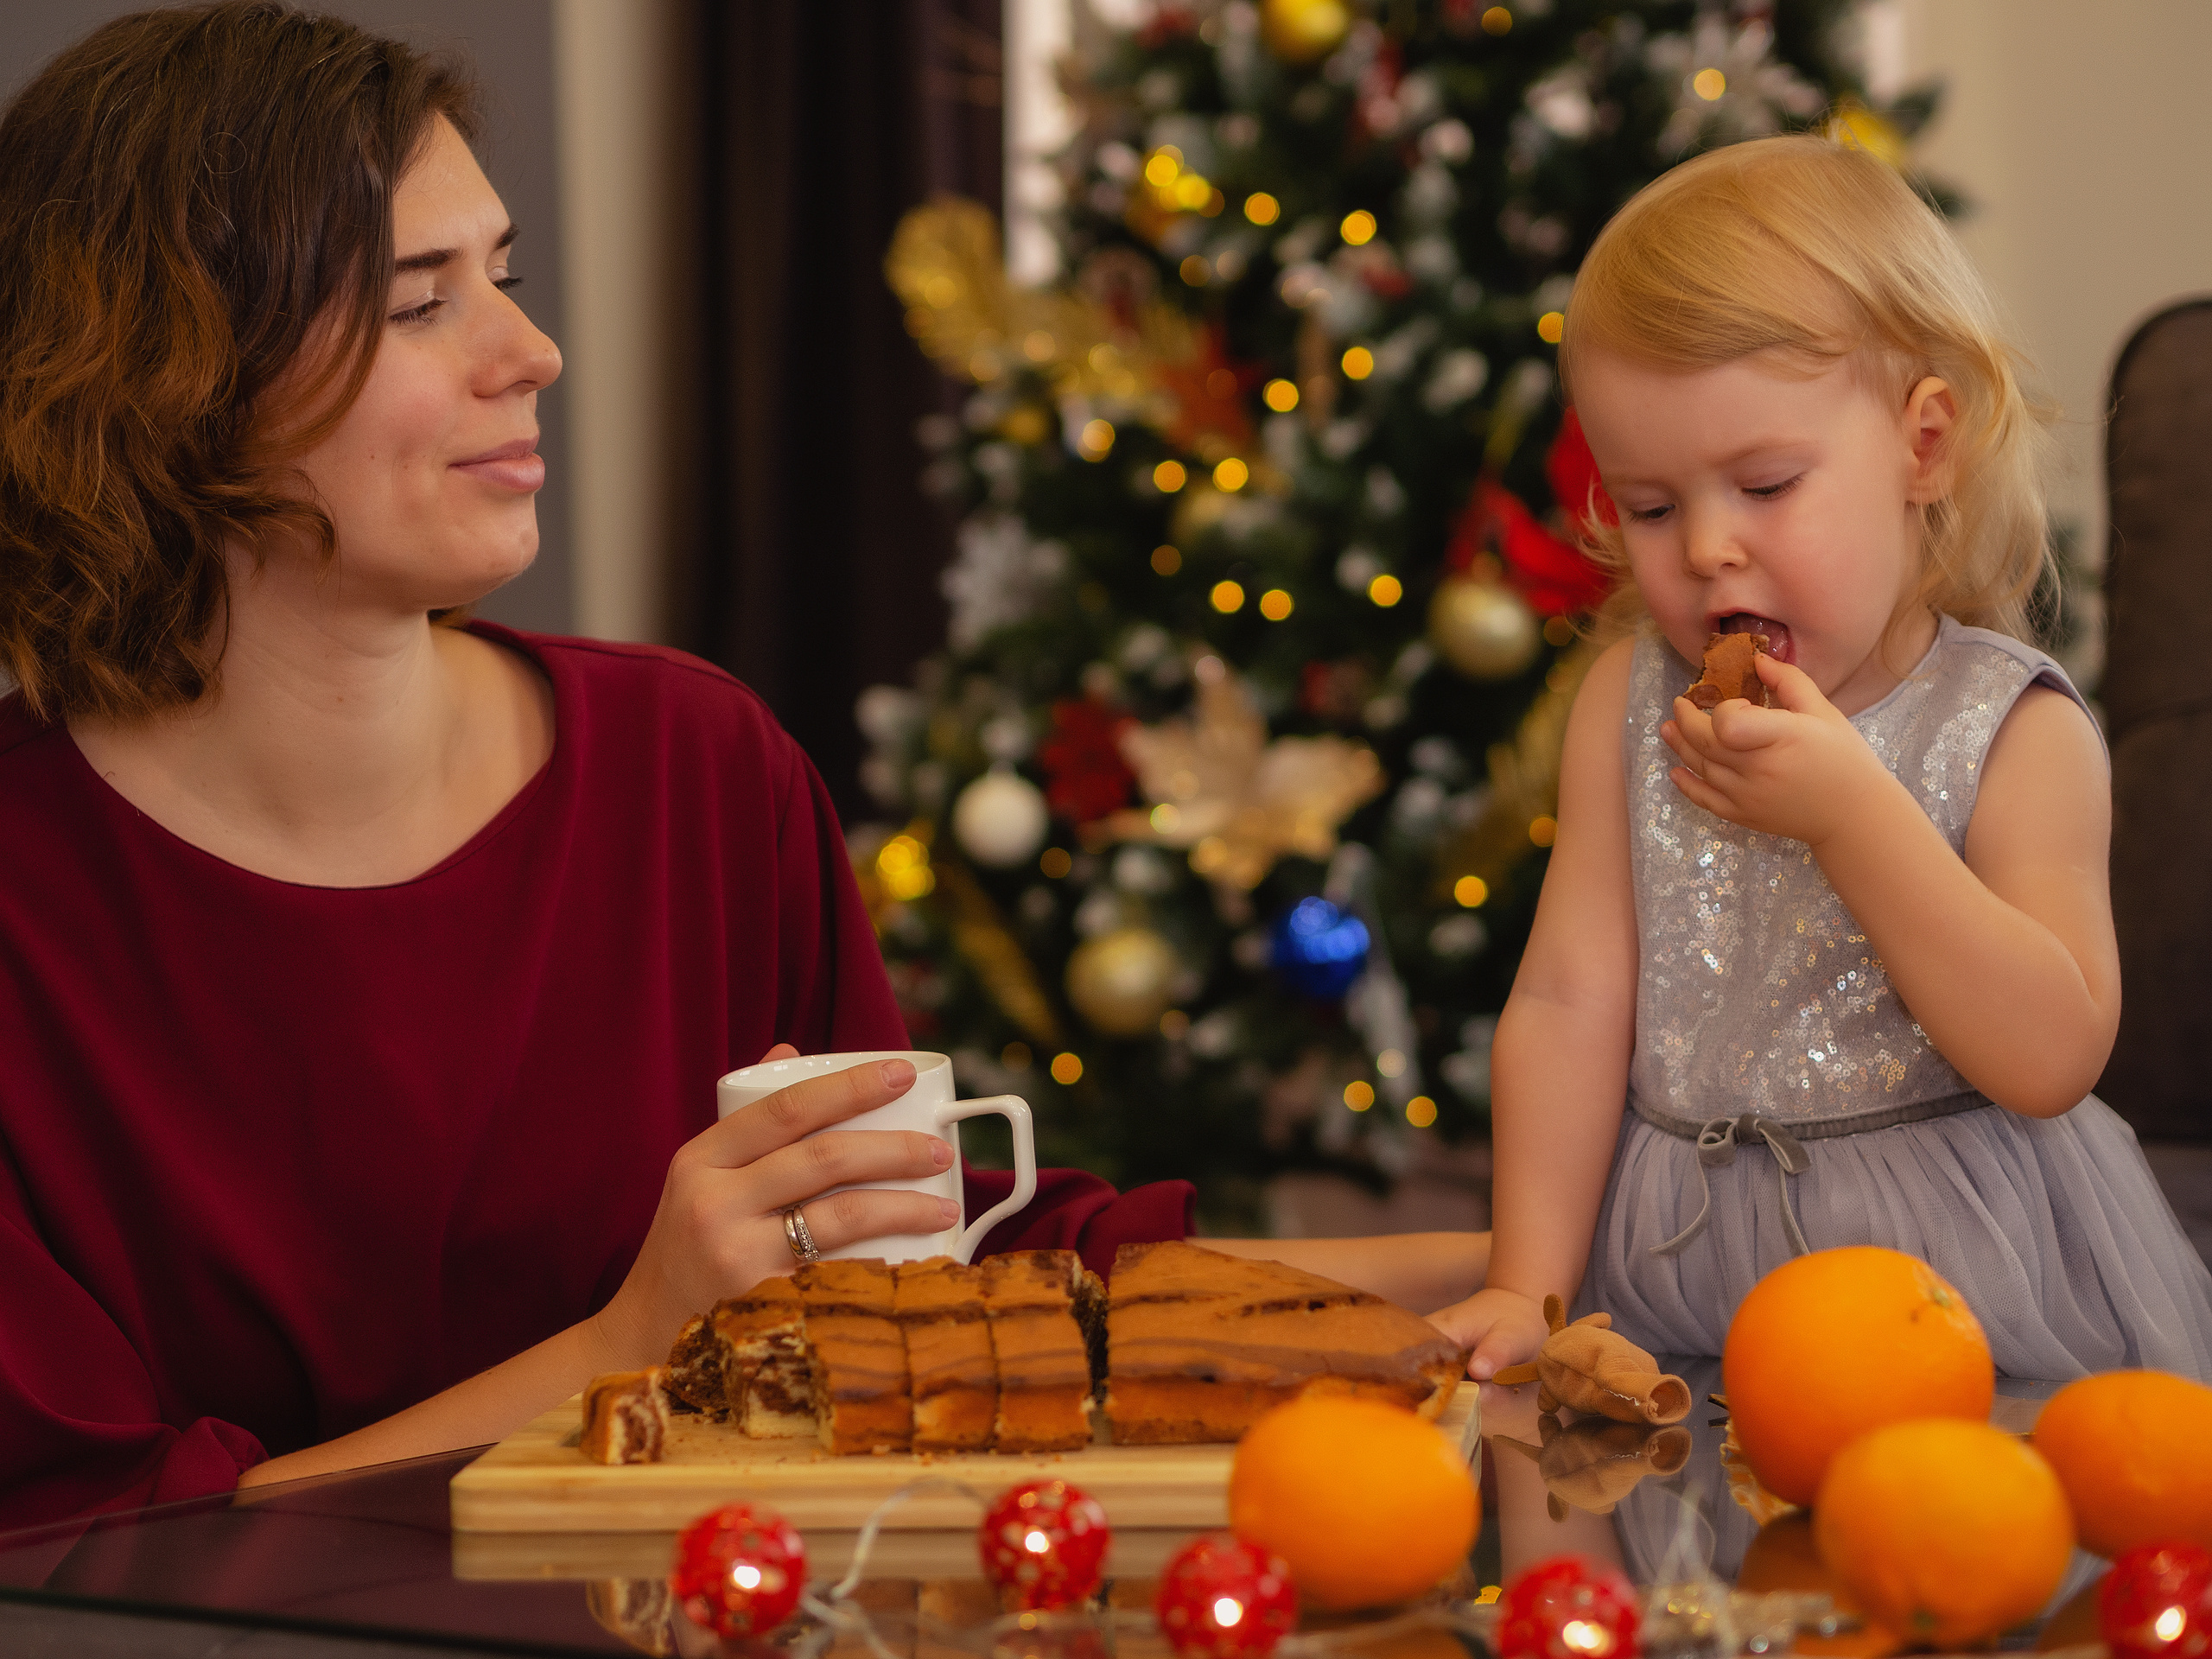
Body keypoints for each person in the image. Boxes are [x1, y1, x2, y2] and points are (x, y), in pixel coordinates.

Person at [0, 3, 1485, 1531]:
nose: (534, 352)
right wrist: (633, 1346)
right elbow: (87, 1556)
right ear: (174, 379)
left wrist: (1526, 1263)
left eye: (503, 278)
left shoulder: (691, 767)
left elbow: (955, 1259)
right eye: (416, 302)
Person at [1433, 133, 2212, 1380]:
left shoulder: (2014, 726)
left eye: (1767, 483)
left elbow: (2052, 1057)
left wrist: (1856, 816)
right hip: (1677, 1269)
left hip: (1947, 1293)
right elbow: (1569, 1002)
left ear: (1925, 446)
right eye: (1648, 505)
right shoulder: (1627, 708)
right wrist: (1527, 1282)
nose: (1705, 550)